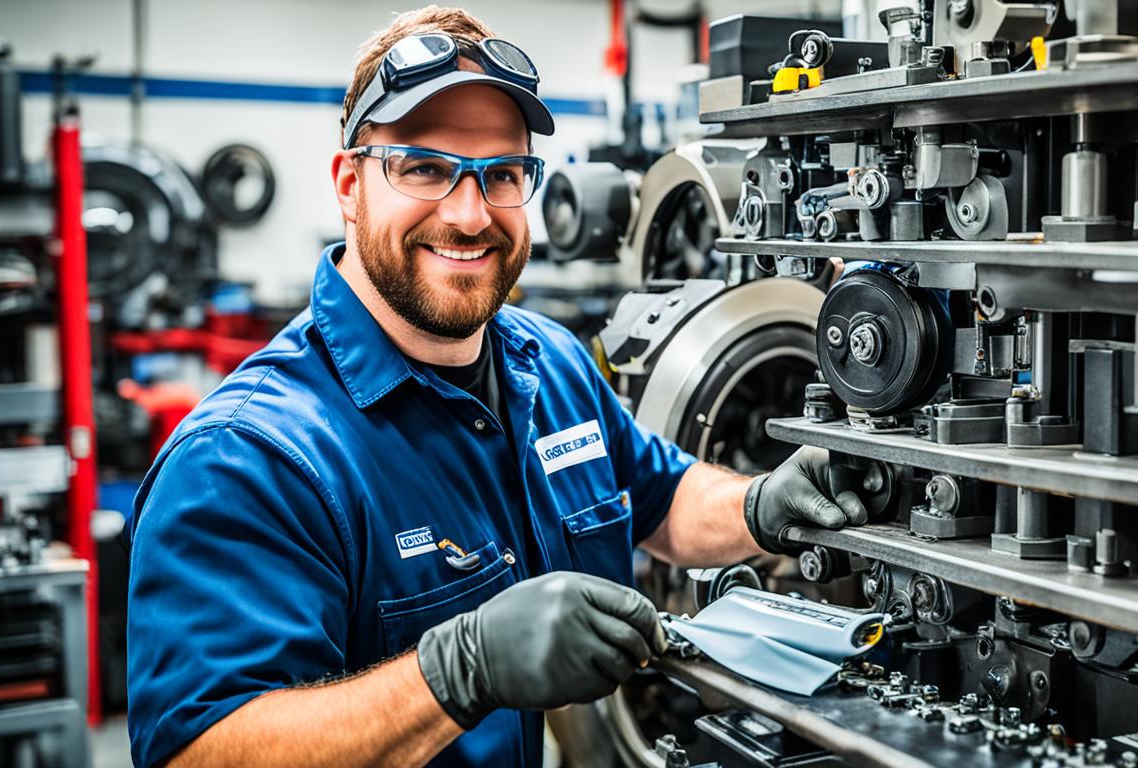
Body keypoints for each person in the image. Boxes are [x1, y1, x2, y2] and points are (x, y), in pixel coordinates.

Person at [125, 7, 866, 767]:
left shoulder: (549, 362)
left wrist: (761, 505)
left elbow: (659, 496)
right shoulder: (251, 457)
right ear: (350, 184)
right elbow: (201, 752)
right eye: (425, 168)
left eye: (502, 175)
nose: (470, 214)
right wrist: (454, 672)